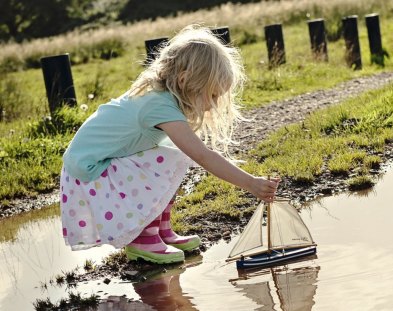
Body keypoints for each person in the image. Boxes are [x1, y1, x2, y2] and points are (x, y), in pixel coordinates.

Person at [59, 24, 280, 264]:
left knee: (171, 156)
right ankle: (143, 238)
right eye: (212, 95)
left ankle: (160, 230)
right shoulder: (159, 106)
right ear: (185, 80)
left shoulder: (163, 96)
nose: (214, 103)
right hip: (90, 171)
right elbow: (203, 156)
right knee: (170, 158)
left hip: (99, 165)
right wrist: (250, 183)